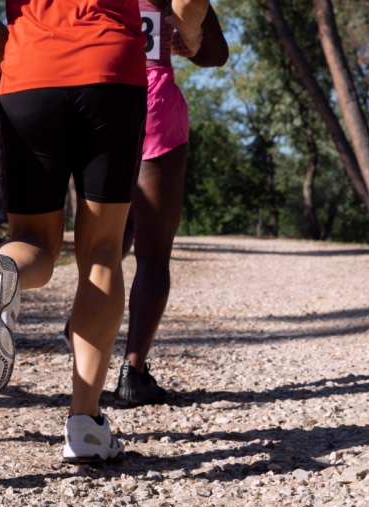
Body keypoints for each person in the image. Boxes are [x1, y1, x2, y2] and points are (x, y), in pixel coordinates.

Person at [0, 0, 211, 463]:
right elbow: (187, 3)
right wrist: (190, 34)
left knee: (32, 238)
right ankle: (85, 425)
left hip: (29, 69)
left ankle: (5, 269)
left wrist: (0, 38)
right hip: (110, 68)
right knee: (100, 250)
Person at [113, 0, 227, 406]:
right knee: (153, 252)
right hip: (154, 105)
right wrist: (190, 41)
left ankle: (85, 326)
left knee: (108, 239)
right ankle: (134, 371)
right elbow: (217, 55)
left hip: (99, 103)